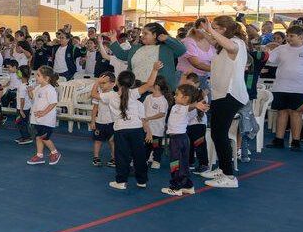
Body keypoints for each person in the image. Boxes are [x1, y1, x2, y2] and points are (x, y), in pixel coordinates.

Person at [198, 15, 250, 188]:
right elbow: (215, 42)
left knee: (220, 134)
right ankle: (223, 168)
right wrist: (203, 31)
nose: (213, 31)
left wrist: (210, 30)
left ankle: (229, 176)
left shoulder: (236, 43)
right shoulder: (223, 44)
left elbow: (228, 45)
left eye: (216, 28)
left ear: (225, 30)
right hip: (221, 94)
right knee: (217, 133)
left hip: (231, 94)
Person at [93, 62, 161, 190]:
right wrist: (154, 69)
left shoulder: (110, 95)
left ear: (117, 83)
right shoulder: (134, 93)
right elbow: (150, 84)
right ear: (132, 83)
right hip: (136, 129)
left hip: (121, 130)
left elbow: (94, 95)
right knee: (139, 155)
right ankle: (142, 181)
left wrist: (97, 82)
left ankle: (121, 182)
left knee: (122, 156)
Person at [264, 25, 303, 151]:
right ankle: (279, 140)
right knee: (281, 113)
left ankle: (296, 142)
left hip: (301, 88)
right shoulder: (281, 48)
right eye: (287, 35)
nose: (288, 38)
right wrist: (265, 50)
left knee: (296, 114)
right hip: (281, 86)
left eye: (291, 36)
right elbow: (268, 60)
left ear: (301, 37)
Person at [104, 22, 186, 91]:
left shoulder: (167, 49)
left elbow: (182, 50)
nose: (142, 36)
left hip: (157, 91)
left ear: (155, 35)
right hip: (136, 89)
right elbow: (122, 55)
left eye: (145, 33)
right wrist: (113, 39)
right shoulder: (136, 48)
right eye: (142, 33)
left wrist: (167, 39)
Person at [161, 84, 209, 196]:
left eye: (177, 94)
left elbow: (189, 107)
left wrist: (196, 104)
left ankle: (176, 187)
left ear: (185, 98)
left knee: (175, 163)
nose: (174, 96)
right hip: (181, 138)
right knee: (183, 163)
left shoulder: (185, 108)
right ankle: (187, 185)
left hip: (178, 139)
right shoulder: (176, 106)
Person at [27, 66, 61, 165]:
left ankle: (55, 152)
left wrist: (43, 112)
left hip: (46, 120)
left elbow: (53, 103)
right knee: (38, 137)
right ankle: (39, 155)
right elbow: (32, 98)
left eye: (38, 75)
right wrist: (29, 91)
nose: (36, 77)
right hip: (38, 119)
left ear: (46, 78)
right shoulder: (38, 87)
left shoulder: (50, 89)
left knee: (44, 138)